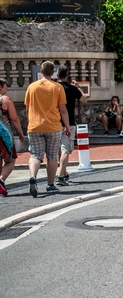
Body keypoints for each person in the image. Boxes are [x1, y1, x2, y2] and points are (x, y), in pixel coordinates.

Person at [24, 61, 71, 197]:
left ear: (40, 71)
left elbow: (27, 108)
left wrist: (30, 122)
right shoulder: (57, 87)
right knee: (52, 156)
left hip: (35, 126)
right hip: (53, 126)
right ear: (53, 73)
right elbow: (63, 110)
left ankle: (33, 177)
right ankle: (50, 185)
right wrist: (67, 126)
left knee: (35, 155)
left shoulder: (31, 87)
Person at [56, 65, 87, 187]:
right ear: (67, 75)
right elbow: (84, 100)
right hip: (69, 122)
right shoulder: (72, 89)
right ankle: (60, 176)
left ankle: (63, 172)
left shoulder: (53, 88)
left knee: (59, 150)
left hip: (54, 122)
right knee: (65, 150)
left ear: (57, 75)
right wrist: (78, 87)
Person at [0, 78, 25, 196]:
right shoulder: (6, 100)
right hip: (4, 134)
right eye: (5, 85)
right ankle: (1, 180)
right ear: (0, 87)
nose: (7, 88)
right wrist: (20, 133)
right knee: (10, 160)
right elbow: (14, 119)